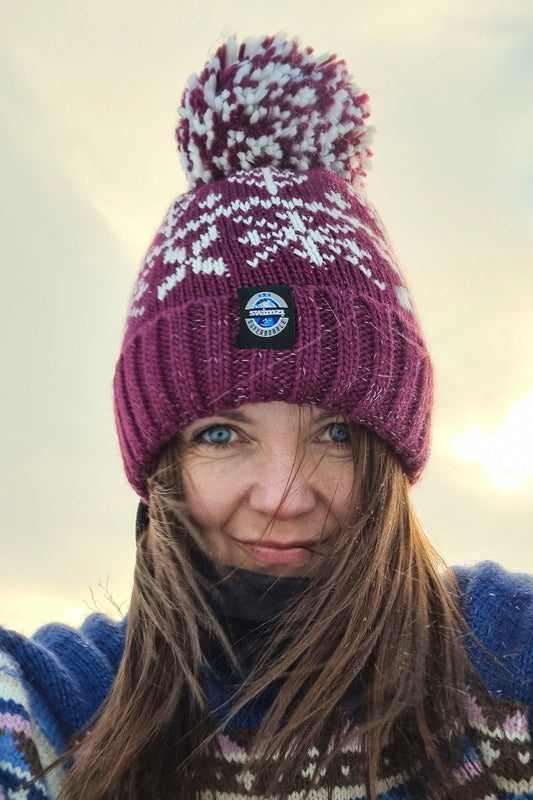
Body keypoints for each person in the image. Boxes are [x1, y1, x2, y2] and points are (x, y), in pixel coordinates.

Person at [0, 33, 532, 800]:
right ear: (164, 464)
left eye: (335, 433)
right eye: (222, 433)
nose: (283, 494)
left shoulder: (500, 668)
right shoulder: (61, 711)